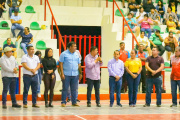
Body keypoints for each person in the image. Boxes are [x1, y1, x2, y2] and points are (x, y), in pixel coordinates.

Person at [59, 41, 82, 107]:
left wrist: (80, 73)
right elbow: (61, 64)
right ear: (70, 47)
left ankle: (74, 102)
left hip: (75, 74)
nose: (75, 48)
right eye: (74, 46)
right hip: (66, 74)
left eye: (76, 46)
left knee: (74, 89)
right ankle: (63, 102)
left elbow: (79, 64)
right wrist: (62, 73)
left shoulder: (76, 54)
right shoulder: (64, 54)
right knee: (65, 89)